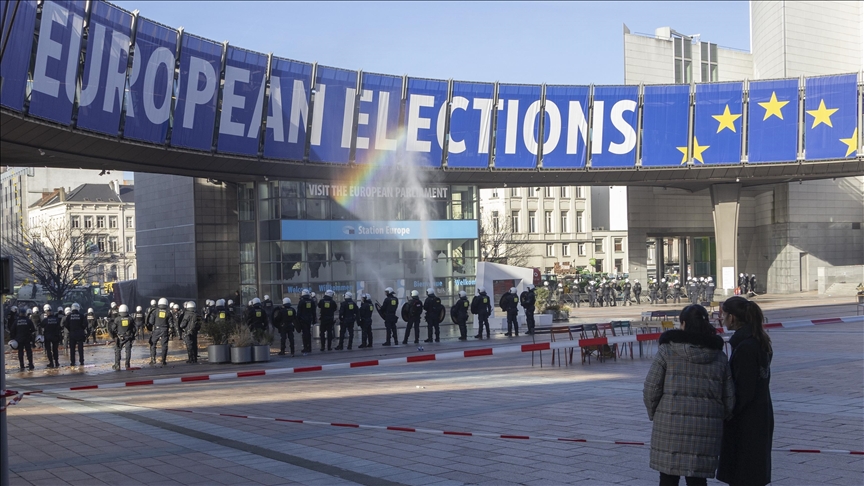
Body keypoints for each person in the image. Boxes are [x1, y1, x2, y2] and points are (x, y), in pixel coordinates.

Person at [643, 304, 735, 486]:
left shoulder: (667, 351)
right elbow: (729, 396)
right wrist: (716, 417)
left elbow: (651, 388)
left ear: (683, 323)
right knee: (697, 479)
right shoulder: (719, 355)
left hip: (669, 425)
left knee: (668, 477)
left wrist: (656, 413)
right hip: (706, 427)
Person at [717, 297, 774, 486]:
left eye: (724, 314)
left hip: (747, 422)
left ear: (732, 318)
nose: (722, 318)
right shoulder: (757, 340)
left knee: (744, 474)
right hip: (759, 414)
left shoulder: (746, 347)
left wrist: (728, 412)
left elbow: (744, 390)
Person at [109, 304, 137, 370]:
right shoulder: (130, 319)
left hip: (120, 338)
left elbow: (113, 329)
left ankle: (117, 365)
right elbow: (134, 329)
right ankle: (127, 364)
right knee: (128, 351)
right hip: (128, 337)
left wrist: (115, 335)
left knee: (118, 350)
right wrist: (132, 335)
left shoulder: (117, 319)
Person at [10, 306, 36, 371]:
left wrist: (13, 338)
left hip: (19, 339)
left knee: (20, 352)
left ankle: (22, 365)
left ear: (20, 313)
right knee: (29, 352)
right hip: (27, 338)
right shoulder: (28, 320)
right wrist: (29, 333)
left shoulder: (16, 321)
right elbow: (33, 329)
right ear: (25, 313)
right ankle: (30, 364)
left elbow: (12, 330)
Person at [148, 298, 171, 365]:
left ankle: (153, 360)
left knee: (153, 344)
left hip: (156, 330)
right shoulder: (168, 312)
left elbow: (151, 322)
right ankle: (163, 360)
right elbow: (171, 323)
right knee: (164, 345)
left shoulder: (155, 311)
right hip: (165, 330)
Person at [40, 304, 61, 369]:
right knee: (55, 350)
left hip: (48, 336)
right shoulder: (56, 319)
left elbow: (41, 325)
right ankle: (56, 362)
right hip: (55, 336)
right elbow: (59, 327)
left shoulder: (45, 320)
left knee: (48, 350)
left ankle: (51, 363)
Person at [297, 289, 315, 355]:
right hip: (309, 319)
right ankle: (309, 347)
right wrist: (314, 320)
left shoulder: (301, 302)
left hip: (303, 320)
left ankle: (305, 348)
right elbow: (314, 311)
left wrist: (297, 320)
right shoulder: (311, 301)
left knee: (304, 334)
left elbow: (299, 312)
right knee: (309, 333)